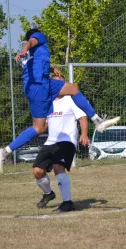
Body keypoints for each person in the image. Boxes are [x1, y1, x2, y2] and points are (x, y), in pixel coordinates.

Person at [0, 26, 119, 173]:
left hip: (39, 85)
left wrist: (52, 69)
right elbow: (30, 43)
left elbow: (37, 65)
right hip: (39, 86)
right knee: (39, 127)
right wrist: (24, 50)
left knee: (73, 89)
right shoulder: (38, 37)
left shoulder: (33, 57)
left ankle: (97, 121)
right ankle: (4, 152)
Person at [33, 72, 89, 213]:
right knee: (37, 171)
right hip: (50, 142)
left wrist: (84, 134)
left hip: (67, 141)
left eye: (61, 83)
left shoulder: (71, 100)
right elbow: (44, 126)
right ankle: (48, 193)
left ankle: (67, 202)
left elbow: (82, 117)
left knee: (58, 167)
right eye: (55, 83)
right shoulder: (48, 102)